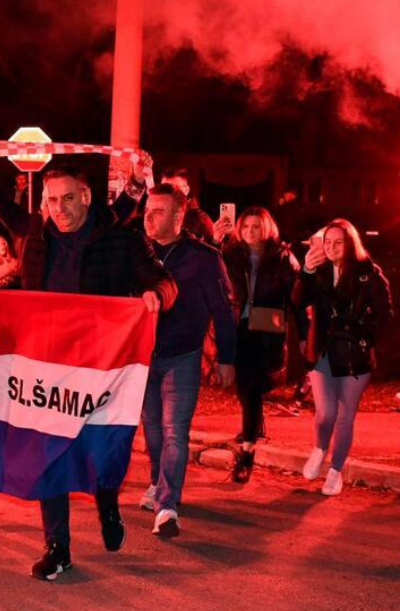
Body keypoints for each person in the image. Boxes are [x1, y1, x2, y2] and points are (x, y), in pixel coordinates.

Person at [0, 164, 176, 580]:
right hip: (47, 367)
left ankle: (107, 500)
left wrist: (155, 293)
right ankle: (58, 547)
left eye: (68, 198)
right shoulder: (35, 239)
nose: (60, 208)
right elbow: (23, 294)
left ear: (86, 197)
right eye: (52, 200)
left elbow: (162, 280)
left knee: (98, 450)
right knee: (45, 453)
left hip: (100, 369)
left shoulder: (120, 240)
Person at [138, 184, 237, 537]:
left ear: (179, 216)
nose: (149, 217)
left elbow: (223, 309)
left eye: (159, 211)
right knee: (151, 431)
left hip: (182, 356)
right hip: (141, 357)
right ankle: (156, 482)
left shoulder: (204, 257)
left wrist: (227, 357)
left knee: (174, 431)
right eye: (147, 210)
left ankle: (167, 506)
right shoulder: (135, 252)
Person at [294, 218, 392, 497]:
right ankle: (320, 447)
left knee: (345, 415)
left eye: (339, 242)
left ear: (350, 244)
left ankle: (335, 472)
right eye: (328, 242)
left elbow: (385, 314)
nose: (332, 247)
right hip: (324, 349)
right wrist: (307, 271)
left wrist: (365, 337)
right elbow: (297, 302)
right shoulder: (319, 272)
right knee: (326, 412)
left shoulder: (368, 273)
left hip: (353, 352)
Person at [217, 207, 299, 483]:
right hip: (239, 324)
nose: (251, 231)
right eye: (246, 226)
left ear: (267, 228)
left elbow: (296, 294)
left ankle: (249, 444)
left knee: (256, 384)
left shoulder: (282, 256)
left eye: (256, 226)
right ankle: (250, 441)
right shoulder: (230, 254)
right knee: (245, 386)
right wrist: (215, 241)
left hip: (267, 324)